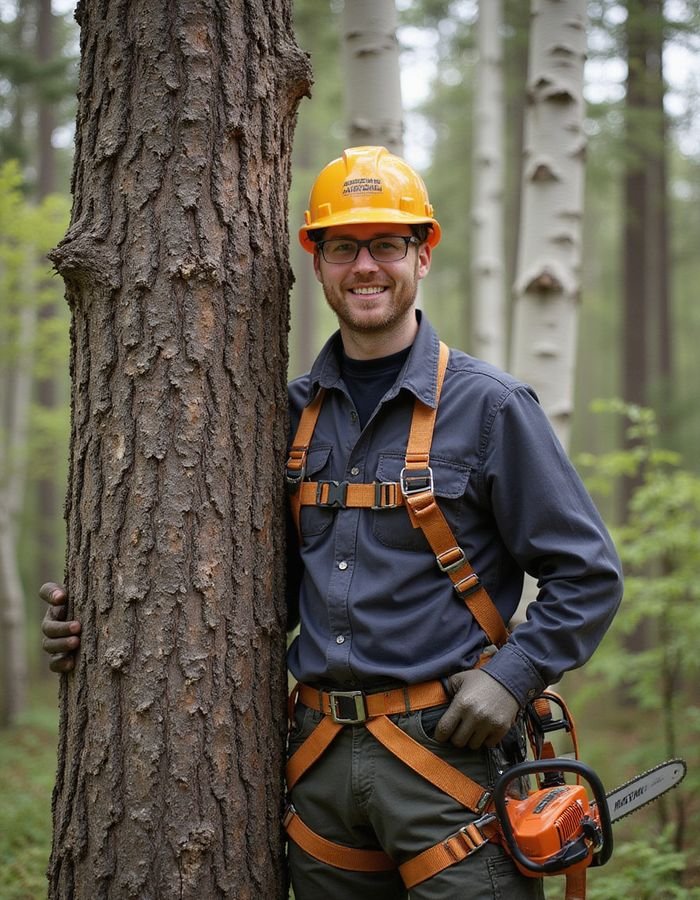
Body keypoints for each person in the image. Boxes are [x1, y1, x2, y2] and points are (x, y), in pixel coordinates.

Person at [41, 146, 623, 899]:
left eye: (386, 245)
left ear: (423, 254)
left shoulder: (491, 407)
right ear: (316, 263)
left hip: (450, 756)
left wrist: (512, 679)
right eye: (343, 247)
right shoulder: (281, 415)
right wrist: (105, 628)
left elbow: (588, 574)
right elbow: (246, 592)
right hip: (315, 764)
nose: (366, 267)